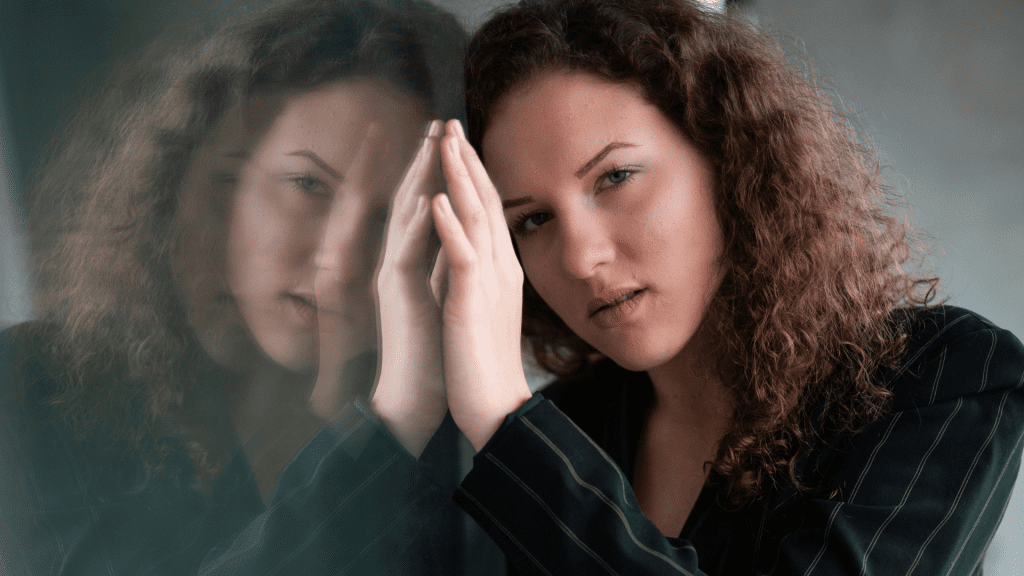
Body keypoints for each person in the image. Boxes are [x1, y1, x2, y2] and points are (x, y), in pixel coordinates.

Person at [374, 0, 1024, 574]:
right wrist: (410, 393)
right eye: (533, 220)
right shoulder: (567, 427)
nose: (579, 257)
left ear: (729, 160)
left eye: (616, 177)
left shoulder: (943, 378)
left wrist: (508, 426)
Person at [0, 0, 469, 573]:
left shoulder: (447, 439)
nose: (339, 259)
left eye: (392, 219)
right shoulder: (30, 389)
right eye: (307, 185)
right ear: (195, 182)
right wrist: (388, 431)